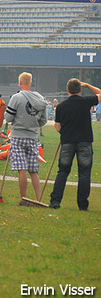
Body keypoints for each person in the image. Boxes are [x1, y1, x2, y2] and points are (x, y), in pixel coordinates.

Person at [49, 79, 101, 211]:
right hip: (84, 141)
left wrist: (65, 130)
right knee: (84, 174)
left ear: (67, 90)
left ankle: (55, 201)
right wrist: (88, 85)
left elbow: (57, 127)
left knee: (62, 172)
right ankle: (82, 205)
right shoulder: (86, 101)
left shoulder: (61, 106)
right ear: (80, 90)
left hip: (67, 141)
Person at [4, 72, 48, 202]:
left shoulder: (16, 97)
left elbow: (8, 117)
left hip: (18, 136)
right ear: (31, 83)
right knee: (33, 170)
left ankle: (24, 198)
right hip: (33, 137)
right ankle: (38, 198)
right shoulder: (40, 98)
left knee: (21, 169)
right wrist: (33, 125)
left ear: (20, 83)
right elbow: (43, 120)